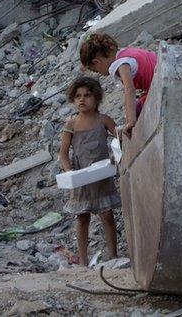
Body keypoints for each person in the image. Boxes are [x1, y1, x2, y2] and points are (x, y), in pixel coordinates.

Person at [59, 76, 120, 264]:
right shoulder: (72, 124)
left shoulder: (103, 120)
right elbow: (63, 154)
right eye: (78, 96)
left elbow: (121, 139)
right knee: (82, 218)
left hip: (101, 176)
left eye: (87, 95)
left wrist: (116, 156)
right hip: (81, 178)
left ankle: (113, 256)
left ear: (97, 98)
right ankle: (83, 261)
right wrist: (70, 173)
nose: (82, 100)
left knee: (107, 215)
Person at [79, 32, 157, 137]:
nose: (100, 73)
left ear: (97, 62)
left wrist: (131, 121)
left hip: (159, 85)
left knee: (138, 110)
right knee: (138, 104)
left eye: (96, 70)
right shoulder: (125, 52)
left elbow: (129, 89)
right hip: (162, 72)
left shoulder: (120, 64)